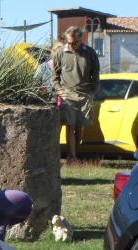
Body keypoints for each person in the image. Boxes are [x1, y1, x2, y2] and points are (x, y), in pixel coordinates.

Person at [51, 26, 100, 162]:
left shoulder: (90, 53)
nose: (70, 45)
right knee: (70, 126)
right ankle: (72, 157)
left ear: (80, 39)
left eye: (73, 42)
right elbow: (54, 75)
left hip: (84, 95)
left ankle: (74, 152)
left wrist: (91, 93)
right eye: (68, 42)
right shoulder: (60, 52)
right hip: (67, 94)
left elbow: (95, 75)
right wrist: (60, 91)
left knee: (79, 129)